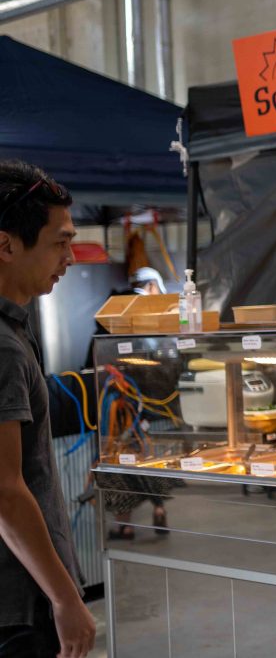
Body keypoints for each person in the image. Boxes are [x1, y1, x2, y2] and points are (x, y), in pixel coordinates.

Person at [0, 160, 95, 658]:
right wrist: (65, 599)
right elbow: (6, 492)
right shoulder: (3, 346)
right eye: (60, 242)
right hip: (18, 606)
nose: (71, 257)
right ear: (7, 244)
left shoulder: (15, 329)